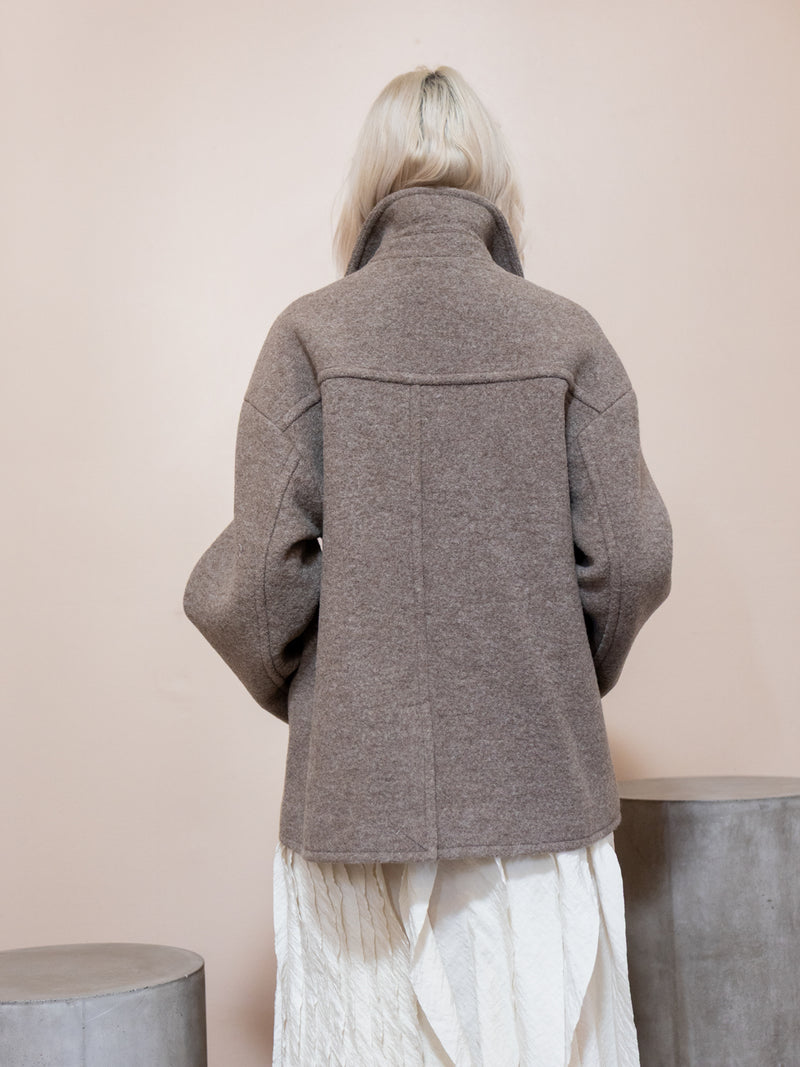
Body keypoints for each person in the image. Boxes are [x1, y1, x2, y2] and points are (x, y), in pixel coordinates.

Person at [183, 64, 672, 1066]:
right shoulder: (567, 335)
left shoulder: (309, 334)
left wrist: (331, 685)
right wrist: (550, 665)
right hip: (540, 804)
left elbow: (259, 583)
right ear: (492, 178)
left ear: (370, 181)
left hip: (356, 807)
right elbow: (633, 558)